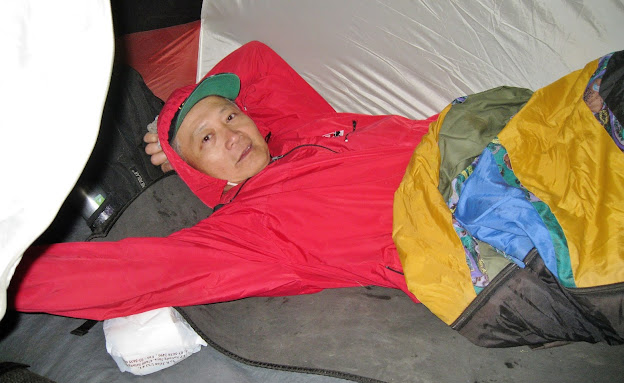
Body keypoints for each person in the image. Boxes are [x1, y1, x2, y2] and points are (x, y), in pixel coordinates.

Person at [9, 41, 437, 320]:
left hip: (463, 132)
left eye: (230, 115)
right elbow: (133, 274)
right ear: (194, 170)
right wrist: (6, 270)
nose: (232, 135)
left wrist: (179, 123)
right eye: (207, 139)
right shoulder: (252, 229)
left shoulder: (299, 128)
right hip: (454, 213)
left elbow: (255, 60)